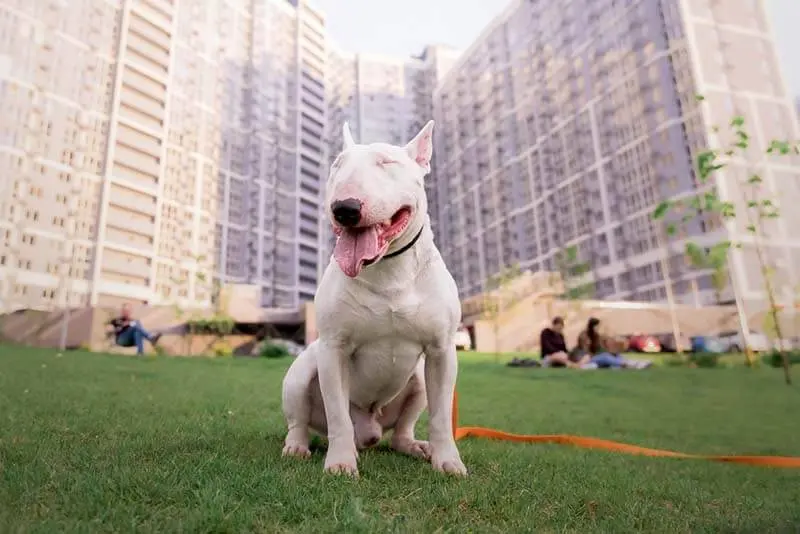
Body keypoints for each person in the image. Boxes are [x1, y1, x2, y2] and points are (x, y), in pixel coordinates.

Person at [577, 317, 651, 369]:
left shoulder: (597, 336)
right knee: (605, 356)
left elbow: (603, 347)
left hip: (597, 356)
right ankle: (631, 365)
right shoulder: (584, 335)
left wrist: (611, 351)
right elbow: (586, 351)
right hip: (587, 359)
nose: (598, 328)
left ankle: (636, 363)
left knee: (616, 356)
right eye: (597, 326)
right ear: (592, 326)